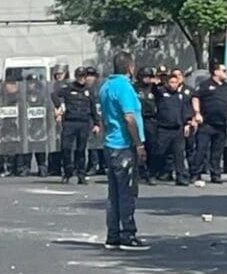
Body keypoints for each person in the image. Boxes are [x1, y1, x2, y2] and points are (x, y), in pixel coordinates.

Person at [99, 52, 149, 251]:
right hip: (124, 146)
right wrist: (138, 144)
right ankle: (127, 233)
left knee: (114, 193)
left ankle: (113, 233)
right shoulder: (124, 87)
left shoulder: (105, 87)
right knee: (127, 191)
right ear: (129, 67)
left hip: (110, 143)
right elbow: (129, 118)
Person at [192, 63, 227, 184]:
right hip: (206, 124)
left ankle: (215, 174)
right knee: (201, 149)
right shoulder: (205, 85)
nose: (226, 73)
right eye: (224, 70)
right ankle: (195, 173)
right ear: (216, 72)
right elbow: (195, 98)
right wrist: (197, 113)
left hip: (221, 125)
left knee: (217, 151)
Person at [53, 66, 101, 184]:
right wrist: (58, 106)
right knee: (65, 148)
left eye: (83, 76)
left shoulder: (89, 90)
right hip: (70, 122)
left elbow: (93, 108)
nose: (82, 79)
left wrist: (96, 123)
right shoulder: (69, 88)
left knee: (80, 150)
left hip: (84, 122)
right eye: (79, 76)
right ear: (76, 76)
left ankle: (81, 175)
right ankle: (68, 171)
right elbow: (54, 95)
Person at [155, 72, 193, 186]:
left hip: (178, 128)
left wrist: (186, 124)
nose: (174, 85)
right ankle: (153, 173)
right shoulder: (161, 93)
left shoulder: (181, 95)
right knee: (159, 152)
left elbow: (185, 110)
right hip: (164, 128)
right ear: (167, 83)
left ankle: (181, 176)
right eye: (171, 82)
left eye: (176, 82)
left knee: (179, 154)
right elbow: (154, 91)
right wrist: (156, 81)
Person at [134, 67, 159, 185]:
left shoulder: (155, 89)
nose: (147, 79)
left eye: (149, 77)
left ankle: (151, 173)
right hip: (138, 118)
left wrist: (158, 85)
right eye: (145, 76)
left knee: (152, 147)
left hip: (150, 120)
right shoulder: (134, 88)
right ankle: (138, 172)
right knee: (137, 145)